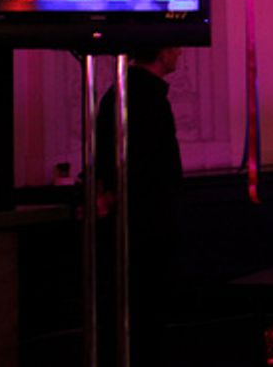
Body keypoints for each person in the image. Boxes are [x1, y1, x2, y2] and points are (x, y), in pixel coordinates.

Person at [95, 46, 184, 367]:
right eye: (176, 48)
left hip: (132, 224)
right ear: (163, 52)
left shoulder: (119, 92)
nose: (181, 53)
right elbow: (150, 167)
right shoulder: (147, 98)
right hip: (145, 227)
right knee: (144, 317)